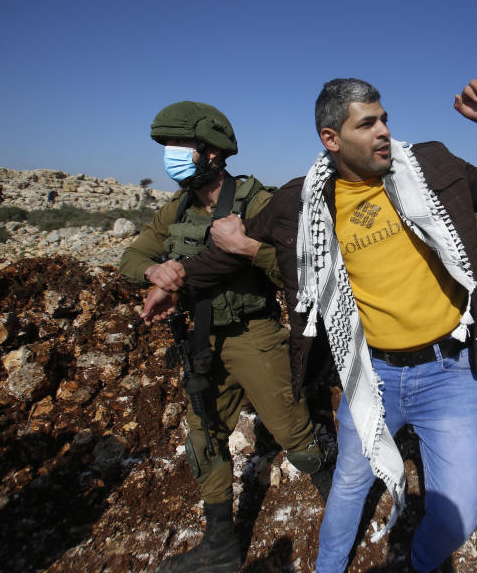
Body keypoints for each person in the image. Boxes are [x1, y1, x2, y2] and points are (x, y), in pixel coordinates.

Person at [142, 77, 477, 573]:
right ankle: (329, 566)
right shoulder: (300, 203)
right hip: (372, 375)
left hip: (447, 372)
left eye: (384, 118)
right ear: (331, 138)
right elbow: (229, 256)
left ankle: (419, 562)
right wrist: (175, 282)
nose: (384, 131)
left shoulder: (430, 165)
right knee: (349, 482)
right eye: (367, 123)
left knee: (460, 516)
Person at [120, 101, 333, 573]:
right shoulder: (175, 208)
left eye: (180, 147)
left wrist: (246, 247)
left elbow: (298, 271)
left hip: (253, 335)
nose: (171, 157)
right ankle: (219, 544)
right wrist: (155, 270)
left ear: (212, 151)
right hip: (202, 341)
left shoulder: (256, 202)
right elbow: (132, 257)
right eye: (168, 148)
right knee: (205, 435)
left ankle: (341, 505)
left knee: (293, 433)